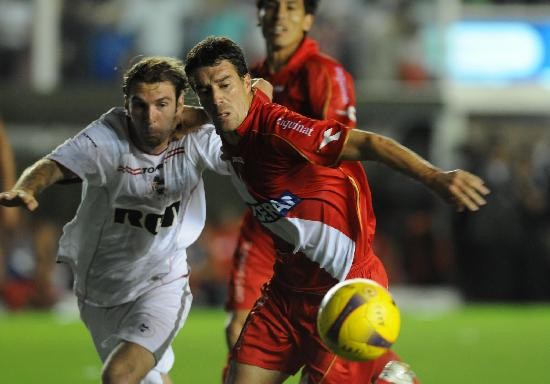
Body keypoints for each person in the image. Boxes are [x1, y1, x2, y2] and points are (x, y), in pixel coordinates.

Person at [184, 36, 490, 384]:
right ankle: (386, 374)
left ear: (245, 83)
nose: (216, 98)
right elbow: (251, 92)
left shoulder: (280, 130)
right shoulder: (226, 125)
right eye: (204, 90)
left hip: (343, 287)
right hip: (286, 291)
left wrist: (435, 178)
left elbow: (371, 143)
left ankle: (388, 376)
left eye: (225, 85)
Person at [0, 56, 232, 384]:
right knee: (151, 378)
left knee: (120, 375)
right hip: (98, 289)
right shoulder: (106, 137)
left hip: (161, 282)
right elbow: (51, 166)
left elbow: (243, 139)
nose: (150, 117)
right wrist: (26, 187)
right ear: (126, 104)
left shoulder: (197, 137)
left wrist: (234, 106)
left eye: (162, 104)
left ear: (181, 103)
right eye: (140, 105)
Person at [225, 0, 357, 350]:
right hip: (265, 219)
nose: (279, 15)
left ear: (308, 19)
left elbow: (338, 147)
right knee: (238, 323)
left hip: (316, 221)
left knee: (337, 330)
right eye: (271, 6)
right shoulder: (247, 78)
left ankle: (387, 372)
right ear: (259, 16)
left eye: (291, 7)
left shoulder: (324, 73)